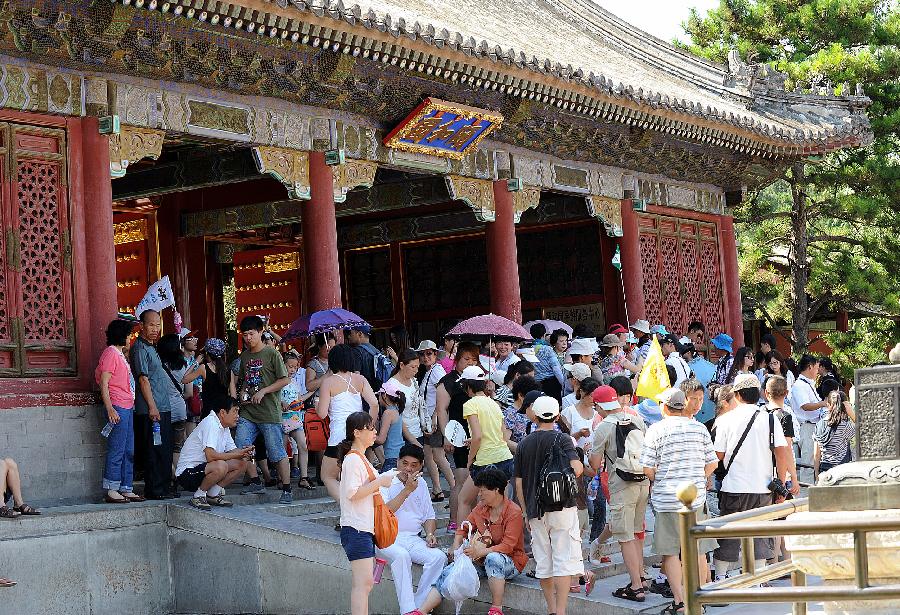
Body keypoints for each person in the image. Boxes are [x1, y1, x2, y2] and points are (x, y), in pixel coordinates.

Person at [712, 374, 799, 582]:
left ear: (737, 394)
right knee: (760, 534)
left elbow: (718, 456)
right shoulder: (769, 418)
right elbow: (782, 452)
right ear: (759, 393)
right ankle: (758, 580)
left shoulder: (725, 420)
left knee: (728, 535)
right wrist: (781, 483)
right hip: (762, 487)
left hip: (733, 486)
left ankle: (721, 578)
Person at [641, 388, 718, 614]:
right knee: (698, 549)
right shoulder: (699, 428)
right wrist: (696, 476)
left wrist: (662, 478)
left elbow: (647, 468)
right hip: (695, 498)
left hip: (667, 499)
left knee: (671, 552)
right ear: (683, 405)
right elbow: (712, 463)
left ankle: (680, 601)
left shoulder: (655, 430)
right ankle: (699, 601)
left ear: (664, 406)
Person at [421, 467, 526, 615]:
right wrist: (455, 545)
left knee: (493, 558)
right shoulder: (481, 508)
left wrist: (482, 551)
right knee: (449, 571)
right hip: (480, 559)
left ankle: (497, 608)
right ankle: (422, 611)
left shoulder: (513, 512)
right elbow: (463, 528)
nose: (479, 494)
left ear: (496, 490)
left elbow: (508, 546)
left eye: (483, 490)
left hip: (510, 562)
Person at [514, 397, 584, 615]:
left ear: (534, 415)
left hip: (535, 510)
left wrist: (525, 512)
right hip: (562, 507)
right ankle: (561, 611)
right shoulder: (563, 438)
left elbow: (518, 481)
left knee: (544, 562)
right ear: (556, 415)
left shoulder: (524, 443)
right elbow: (577, 468)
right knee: (563, 559)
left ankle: (551, 609)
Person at [591, 385, 649, 603]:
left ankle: (635, 586)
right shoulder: (637, 418)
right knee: (636, 532)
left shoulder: (603, 427)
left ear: (598, 405)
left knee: (624, 537)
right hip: (642, 481)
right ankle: (641, 578)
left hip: (621, 484)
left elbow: (595, 463)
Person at [337, 411, 399, 615]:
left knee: (364, 584)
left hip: (362, 528)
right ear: (356, 432)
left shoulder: (359, 458)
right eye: (370, 428)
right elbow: (352, 493)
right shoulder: (353, 460)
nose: (374, 432)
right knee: (363, 584)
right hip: (356, 529)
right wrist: (380, 482)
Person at [376, 444, 447, 615]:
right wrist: (407, 490)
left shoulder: (421, 483)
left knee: (438, 557)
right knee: (402, 556)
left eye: (413, 465)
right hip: (386, 537)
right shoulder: (385, 479)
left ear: (421, 466)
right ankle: (407, 610)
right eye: (404, 463)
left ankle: (418, 607)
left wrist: (430, 534)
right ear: (398, 462)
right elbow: (384, 513)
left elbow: (429, 516)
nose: (408, 468)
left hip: (412, 538)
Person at [234, 315, 294, 505]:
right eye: (245, 335)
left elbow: (285, 379)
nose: (248, 338)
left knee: (276, 451)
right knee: (241, 445)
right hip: (248, 412)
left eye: (251, 334)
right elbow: (243, 382)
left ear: (261, 332)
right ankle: (254, 480)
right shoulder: (244, 356)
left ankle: (287, 488)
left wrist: (264, 391)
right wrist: (242, 394)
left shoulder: (272, 354)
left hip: (269, 411)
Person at [316, 343, 380, 504]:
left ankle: (347, 507)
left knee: (327, 476)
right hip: (359, 434)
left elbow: (322, 413)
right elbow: (374, 404)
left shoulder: (328, 382)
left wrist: (317, 403)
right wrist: (369, 426)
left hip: (338, 435)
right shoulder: (360, 379)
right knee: (352, 477)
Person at [458, 365, 515, 522]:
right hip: (505, 458)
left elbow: (477, 437)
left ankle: (462, 542)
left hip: (485, 461)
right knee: (497, 505)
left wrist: (470, 460)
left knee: (464, 500)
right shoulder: (494, 404)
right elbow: (502, 435)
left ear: (467, 385)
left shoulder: (470, 404)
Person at [174, 399, 253, 510]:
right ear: (222, 413)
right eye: (235, 411)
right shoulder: (211, 423)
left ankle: (212, 494)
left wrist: (244, 452)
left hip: (205, 469)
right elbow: (210, 456)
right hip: (187, 475)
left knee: (242, 463)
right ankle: (199, 496)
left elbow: (233, 451)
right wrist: (237, 454)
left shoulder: (224, 427)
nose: (237, 416)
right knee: (221, 465)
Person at [435, 342, 481, 531]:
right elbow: (441, 410)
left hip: (478, 436)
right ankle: (454, 520)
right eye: (466, 359)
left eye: (474, 359)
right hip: (459, 435)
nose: (470, 363)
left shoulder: (479, 379)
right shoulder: (448, 382)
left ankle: (474, 520)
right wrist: (447, 437)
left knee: (477, 481)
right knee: (461, 480)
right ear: (457, 360)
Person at [96, 318, 143, 504]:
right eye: (128, 334)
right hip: (117, 406)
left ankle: (126, 486)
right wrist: (109, 408)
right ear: (121, 335)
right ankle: (112, 488)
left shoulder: (120, 354)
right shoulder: (110, 354)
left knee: (128, 449)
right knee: (117, 448)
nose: (130, 338)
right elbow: (104, 382)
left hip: (127, 406)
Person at [130, 309, 175, 500]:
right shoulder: (139, 348)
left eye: (158, 325)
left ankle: (164, 487)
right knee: (153, 451)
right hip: (150, 409)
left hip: (163, 407)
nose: (155, 329)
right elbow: (143, 380)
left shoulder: (152, 347)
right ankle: (155, 490)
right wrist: (152, 406)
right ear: (142, 326)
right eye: (151, 324)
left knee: (164, 449)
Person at [415, 340, 455, 502]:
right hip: (430, 419)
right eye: (422, 354)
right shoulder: (430, 371)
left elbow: (443, 396)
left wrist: (435, 418)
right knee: (428, 454)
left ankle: (454, 486)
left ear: (436, 354)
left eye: (429, 353)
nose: (425, 357)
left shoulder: (437, 371)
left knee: (438, 456)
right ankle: (437, 488)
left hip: (435, 419)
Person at [789, 355, 829, 484]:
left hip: (813, 425)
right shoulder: (799, 385)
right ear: (810, 367)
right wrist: (822, 404)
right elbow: (805, 406)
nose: (817, 372)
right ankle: (806, 493)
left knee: (813, 459)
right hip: (806, 426)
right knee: (808, 461)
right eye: (816, 368)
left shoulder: (808, 384)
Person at [157, 333, 191, 479]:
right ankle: (178, 477)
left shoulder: (158, 366)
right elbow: (189, 393)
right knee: (177, 447)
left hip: (162, 410)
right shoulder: (184, 365)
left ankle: (168, 475)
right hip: (179, 410)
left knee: (162, 445)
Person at [281, 353, 313, 489]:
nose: (293, 369)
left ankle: (304, 477)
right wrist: (281, 402)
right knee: (282, 450)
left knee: (303, 445)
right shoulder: (278, 381)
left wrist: (313, 391)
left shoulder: (294, 382)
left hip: (295, 418)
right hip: (281, 419)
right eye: (290, 366)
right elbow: (272, 397)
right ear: (283, 365)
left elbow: (300, 398)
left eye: (295, 367)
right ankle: (282, 478)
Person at [182, 338, 230, 420]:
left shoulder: (203, 368)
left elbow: (184, 379)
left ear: (207, 353)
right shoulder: (227, 370)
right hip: (223, 413)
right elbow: (231, 394)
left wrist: (195, 363)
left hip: (208, 413)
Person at [814, 390, 856, 478]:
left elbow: (817, 454)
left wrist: (816, 474)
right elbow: (863, 429)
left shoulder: (819, 424)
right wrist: (851, 413)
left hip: (824, 469)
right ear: (845, 407)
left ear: (828, 405)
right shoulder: (844, 425)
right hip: (841, 471)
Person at [390, 350, 424, 450]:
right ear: (401, 365)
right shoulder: (392, 385)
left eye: (417, 367)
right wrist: (412, 440)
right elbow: (396, 416)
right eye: (413, 367)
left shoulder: (413, 381)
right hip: (403, 436)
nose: (416, 371)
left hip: (418, 431)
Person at [347, 324, 393, 393]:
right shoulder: (376, 350)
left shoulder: (357, 351)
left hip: (365, 394)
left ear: (360, 334)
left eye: (351, 333)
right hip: (379, 393)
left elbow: (356, 377)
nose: (349, 336)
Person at [502, 375, 542, 450]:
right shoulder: (510, 414)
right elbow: (505, 440)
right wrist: (525, 451)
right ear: (520, 395)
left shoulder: (536, 409)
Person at [682, 339, 716, 423]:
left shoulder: (686, 368)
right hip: (712, 411)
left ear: (689, 353)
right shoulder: (711, 366)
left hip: (695, 412)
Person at [375, 380, 406, 472]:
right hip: (399, 454)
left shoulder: (388, 413)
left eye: (379, 395)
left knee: (387, 485)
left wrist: (365, 434)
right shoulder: (397, 409)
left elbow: (381, 439)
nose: (378, 398)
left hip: (391, 457)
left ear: (384, 395)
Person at [529, 323, 565, 400]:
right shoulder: (547, 349)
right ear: (544, 334)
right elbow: (556, 369)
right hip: (551, 384)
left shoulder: (529, 349)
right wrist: (564, 385)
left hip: (535, 384)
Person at [305, 333, 333, 406]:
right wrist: (327, 375)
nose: (331, 349)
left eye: (333, 347)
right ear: (320, 346)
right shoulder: (313, 364)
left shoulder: (336, 362)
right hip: (320, 402)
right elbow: (309, 386)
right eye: (328, 346)